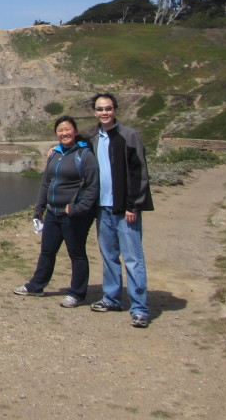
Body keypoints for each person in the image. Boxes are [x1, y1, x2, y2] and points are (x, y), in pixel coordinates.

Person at [14, 116, 99, 307]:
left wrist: (79, 208)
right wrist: (39, 209)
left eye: (68, 129)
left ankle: (77, 293)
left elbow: (93, 186)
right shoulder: (55, 154)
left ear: (75, 131)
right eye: (60, 130)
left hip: (73, 215)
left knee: (76, 253)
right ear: (56, 134)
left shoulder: (85, 155)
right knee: (47, 251)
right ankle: (36, 285)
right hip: (53, 212)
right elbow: (46, 183)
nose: (64, 133)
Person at [87, 92, 154, 328]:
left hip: (125, 209)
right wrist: (55, 151)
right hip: (102, 207)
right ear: (94, 112)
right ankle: (112, 298)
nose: (104, 112)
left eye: (108, 108)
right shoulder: (93, 137)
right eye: (100, 109)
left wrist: (133, 204)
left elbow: (139, 173)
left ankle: (139, 307)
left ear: (115, 110)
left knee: (133, 258)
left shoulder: (129, 136)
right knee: (109, 256)